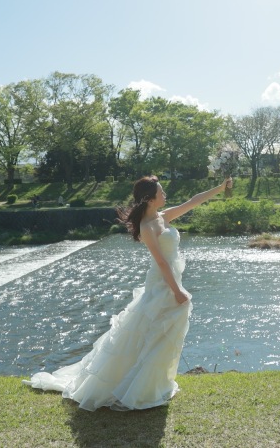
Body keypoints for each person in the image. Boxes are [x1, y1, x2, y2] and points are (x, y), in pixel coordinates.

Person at [24, 175, 233, 411]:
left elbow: (193, 201)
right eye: (161, 192)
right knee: (152, 332)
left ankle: (156, 384)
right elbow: (161, 262)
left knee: (162, 333)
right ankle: (139, 387)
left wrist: (220, 187)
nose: (165, 195)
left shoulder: (163, 217)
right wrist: (177, 291)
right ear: (150, 199)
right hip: (161, 284)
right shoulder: (147, 226)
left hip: (172, 280)